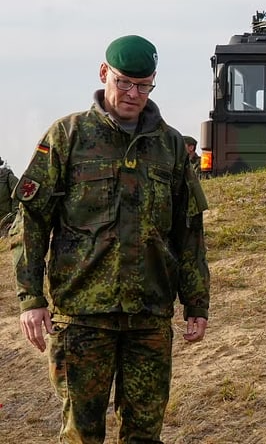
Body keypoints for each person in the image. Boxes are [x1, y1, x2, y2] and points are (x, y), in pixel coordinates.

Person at [10, 35, 211, 443]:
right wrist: (31, 299)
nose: (133, 94)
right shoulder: (68, 136)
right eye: (124, 83)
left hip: (149, 317)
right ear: (104, 73)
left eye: (144, 86)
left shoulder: (170, 145)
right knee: (82, 435)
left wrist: (196, 302)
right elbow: (31, 219)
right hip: (82, 316)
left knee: (144, 434)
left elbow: (188, 230)